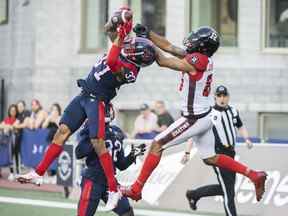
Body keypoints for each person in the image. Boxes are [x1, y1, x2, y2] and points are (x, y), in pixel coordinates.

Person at [16, 7, 156, 211]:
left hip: (97, 100)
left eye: (136, 48)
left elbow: (110, 60)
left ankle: (114, 189)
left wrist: (122, 33)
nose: (132, 46)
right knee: (61, 132)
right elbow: (109, 30)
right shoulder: (125, 46)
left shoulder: (131, 71)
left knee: (98, 142)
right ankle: (39, 172)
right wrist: (119, 21)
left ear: (139, 57)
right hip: (84, 95)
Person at [121, 24, 267, 203]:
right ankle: (254, 175)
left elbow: (163, 61)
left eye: (196, 39)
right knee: (211, 158)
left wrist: (147, 46)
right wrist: (149, 34)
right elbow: (170, 47)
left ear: (202, 46)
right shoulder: (201, 59)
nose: (191, 40)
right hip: (205, 116)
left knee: (156, 145)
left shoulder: (196, 62)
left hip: (193, 118)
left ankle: (136, 189)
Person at [183, 85, 253, 216]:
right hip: (217, 155)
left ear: (228, 97)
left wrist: (247, 138)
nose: (222, 99)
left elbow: (240, 125)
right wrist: (187, 152)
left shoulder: (233, 110)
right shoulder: (209, 114)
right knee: (229, 193)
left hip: (231, 153)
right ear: (214, 97)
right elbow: (194, 133)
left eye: (224, 96)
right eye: (219, 96)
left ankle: (194, 194)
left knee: (227, 189)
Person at [75, 104, 145, 216]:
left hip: (110, 181)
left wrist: (132, 155)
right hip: (93, 179)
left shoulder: (116, 132)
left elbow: (121, 164)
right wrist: (92, 136)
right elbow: (79, 153)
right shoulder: (93, 129)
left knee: (126, 211)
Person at [0, 104, 19, 180]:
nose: (13, 112)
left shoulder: (17, 120)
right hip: (5, 141)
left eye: (14, 111)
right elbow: (1, 126)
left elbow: (14, 126)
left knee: (12, 155)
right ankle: (8, 172)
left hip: (13, 141)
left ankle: (14, 173)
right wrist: (7, 126)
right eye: (11, 110)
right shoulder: (6, 119)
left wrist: (8, 127)